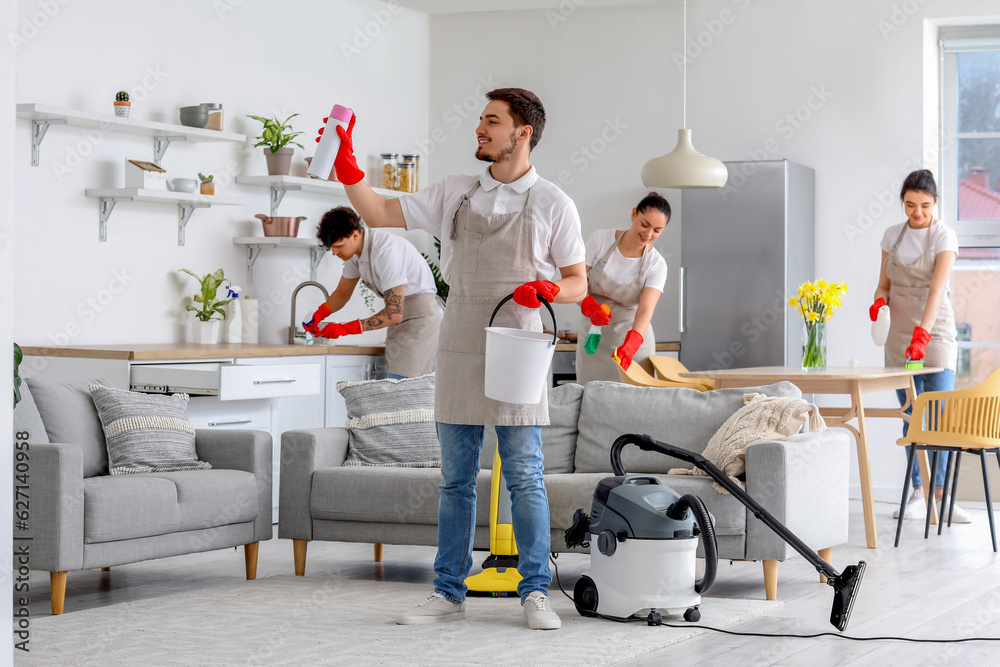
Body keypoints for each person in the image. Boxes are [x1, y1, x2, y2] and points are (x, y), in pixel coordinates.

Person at [324, 88, 586, 629]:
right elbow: (375, 210)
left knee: (524, 475)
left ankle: (535, 591)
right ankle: (448, 591)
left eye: (492, 121)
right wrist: (349, 166)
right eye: (480, 120)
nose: (479, 129)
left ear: (523, 133)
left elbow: (579, 283)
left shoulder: (554, 202)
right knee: (455, 479)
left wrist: (548, 291)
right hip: (461, 339)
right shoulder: (456, 193)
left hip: (517, 343)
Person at [870, 169, 970, 523]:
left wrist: (923, 335)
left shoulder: (944, 236)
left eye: (925, 205)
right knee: (912, 416)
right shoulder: (891, 236)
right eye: (910, 205)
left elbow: (936, 290)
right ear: (903, 202)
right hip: (899, 338)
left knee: (938, 416)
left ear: (935, 203)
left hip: (934, 336)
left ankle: (941, 498)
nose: (917, 213)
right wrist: (878, 302)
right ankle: (916, 493)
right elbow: (884, 285)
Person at [304, 206, 442, 379]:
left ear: (355, 235)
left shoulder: (385, 251)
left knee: (407, 391)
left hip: (421, 322)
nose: (334, 252)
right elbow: (342, 294)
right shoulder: (354, 255)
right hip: (399, 324)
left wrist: (344, 328)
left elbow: (393, 313)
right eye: (332, 247)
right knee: (396, 386)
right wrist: (320, 313)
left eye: (338, 246)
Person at [576, 192, 670, 383]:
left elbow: (645, 309)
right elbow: (577, 283)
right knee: (590, 396)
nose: (649, 234)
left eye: (657, 230)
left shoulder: (656, 264)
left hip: (631, 341)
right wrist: (589, 305)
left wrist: (633, 343)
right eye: (645, 224)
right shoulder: (600, 240)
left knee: (632, 403)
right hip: (595, 337)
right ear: (634, 214)